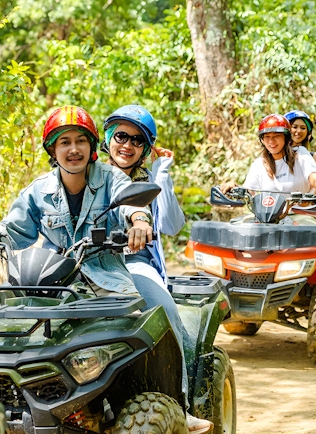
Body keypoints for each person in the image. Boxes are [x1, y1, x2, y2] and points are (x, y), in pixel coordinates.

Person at [0, 105, 153, 296]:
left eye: (81, 141)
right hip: (50, 278)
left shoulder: (112, 178)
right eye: (64, 142)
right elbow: (13, 227)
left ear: (91, 147)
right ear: (53, 150)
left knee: (128, 319)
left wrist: (140, 223)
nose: (74, 149)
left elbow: (130, 203)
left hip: (105, 280)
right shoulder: (39, 190)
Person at [103, 105, 212, 434]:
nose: (127, 144)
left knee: (164, 311)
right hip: (88, 265)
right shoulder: (88, 175)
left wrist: (162, 173)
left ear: (146, 150)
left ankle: (179, 403)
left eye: (137, 140)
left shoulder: (147, 181)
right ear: (108, 139)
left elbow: (172, 224)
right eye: (121, 136)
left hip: (136, 264)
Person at [221, 114, 316, 199]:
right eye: (267, 137)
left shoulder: (300, 154)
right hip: (268, 219)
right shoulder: (259, 163)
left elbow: (314, 177)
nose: (271, 141)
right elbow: (249, 191)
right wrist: (234, 187)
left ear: (286, 138)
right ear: (262, 140)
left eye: (277, 136)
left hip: (299, 215)